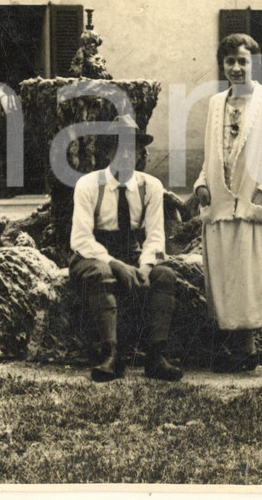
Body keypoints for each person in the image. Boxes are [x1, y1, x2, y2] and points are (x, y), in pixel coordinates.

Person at [194, 34, 262, 379]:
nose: (237, 68)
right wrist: (201, 184)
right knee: (234, 281)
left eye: (243, 61)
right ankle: (246, 351)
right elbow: (212, 155)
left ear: (255, 63)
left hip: (256, 205)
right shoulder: (215, 104)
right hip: (222, 207)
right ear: (222, 65)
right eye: (230, 62)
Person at [69, 115, 183, 382]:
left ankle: (155, 357)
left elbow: (155, 237)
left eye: (132, 148)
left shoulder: (150, 186)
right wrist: (116, 265)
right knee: (102, 274)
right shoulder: (88, 185)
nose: (125, 155)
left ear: (140, 153)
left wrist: (143, 268)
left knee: (164, 276)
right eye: (118, 147)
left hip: (132, 252)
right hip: (92, 254)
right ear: (108, 151)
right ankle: (111, 355)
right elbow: (81, 239)